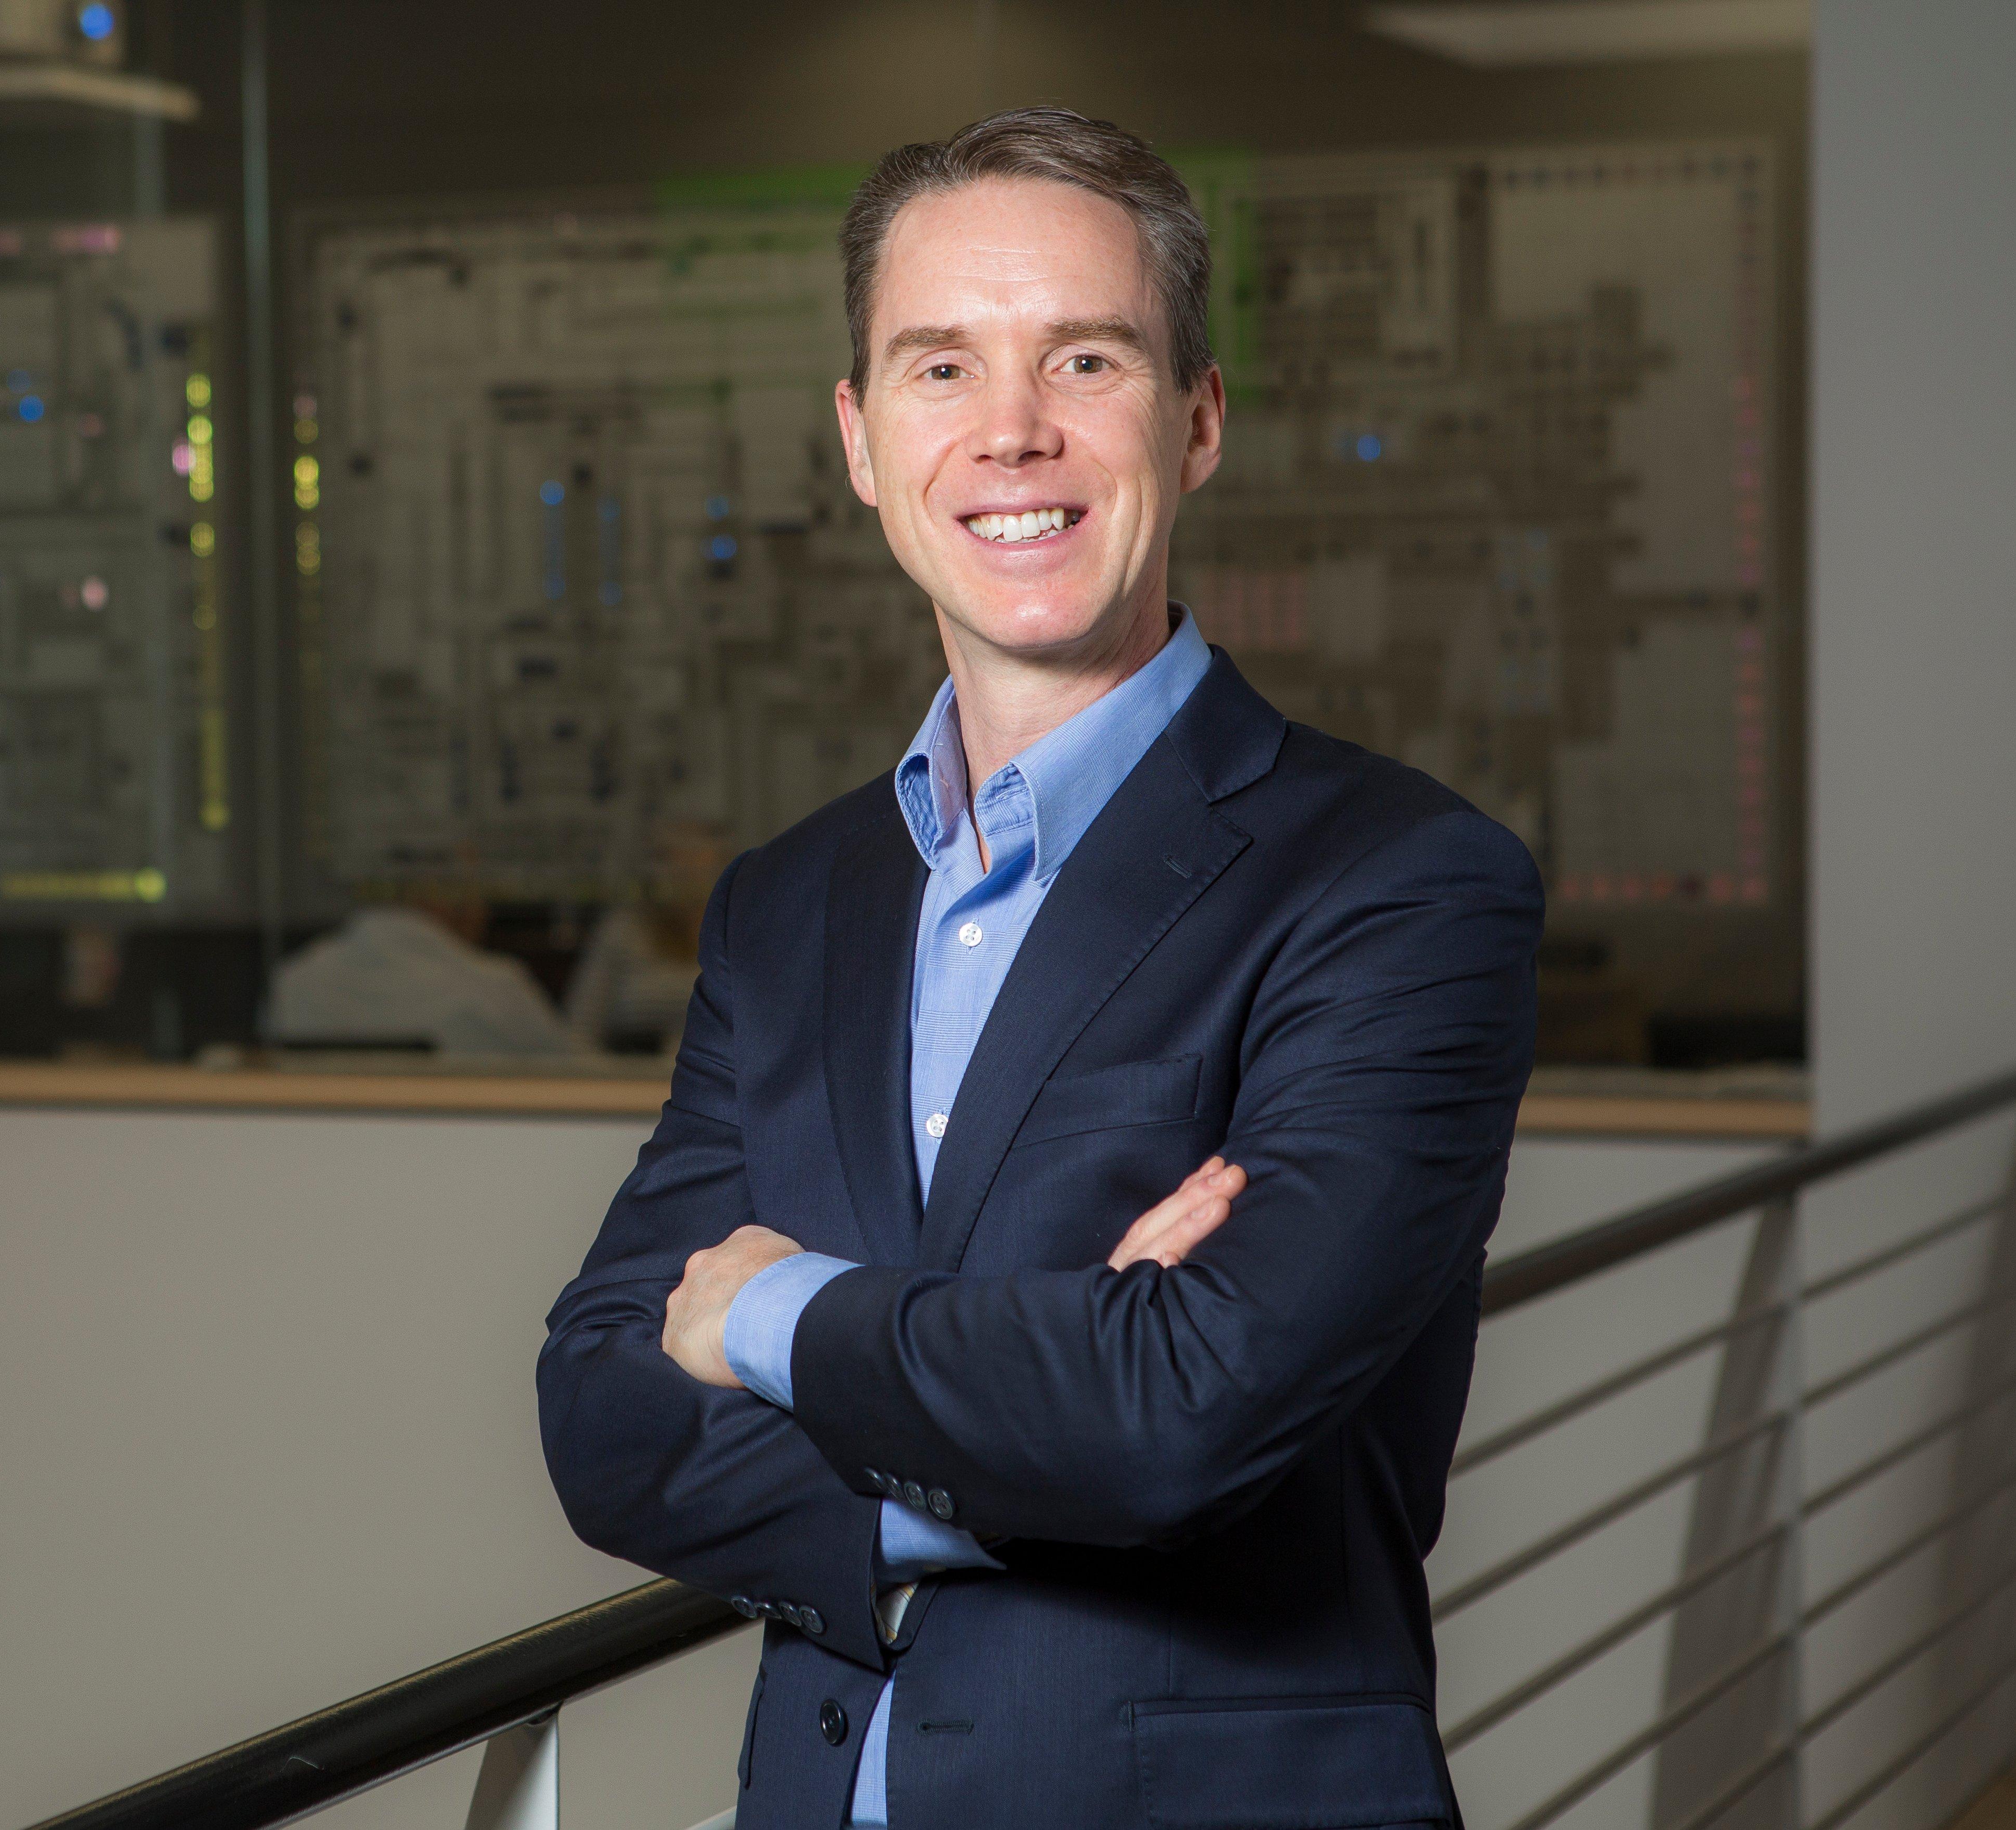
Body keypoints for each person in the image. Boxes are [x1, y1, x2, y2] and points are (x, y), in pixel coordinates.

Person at [536, 109, 1542, 1828]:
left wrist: (768, 1314)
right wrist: (1060, 1389)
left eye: (1083, 358)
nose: (1009, 430)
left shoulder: (1400, 883)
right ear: (861, 441)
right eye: (940, 368)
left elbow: (1179, 1417)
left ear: (1196, 419)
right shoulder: (791, 904)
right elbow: (604, 1414)